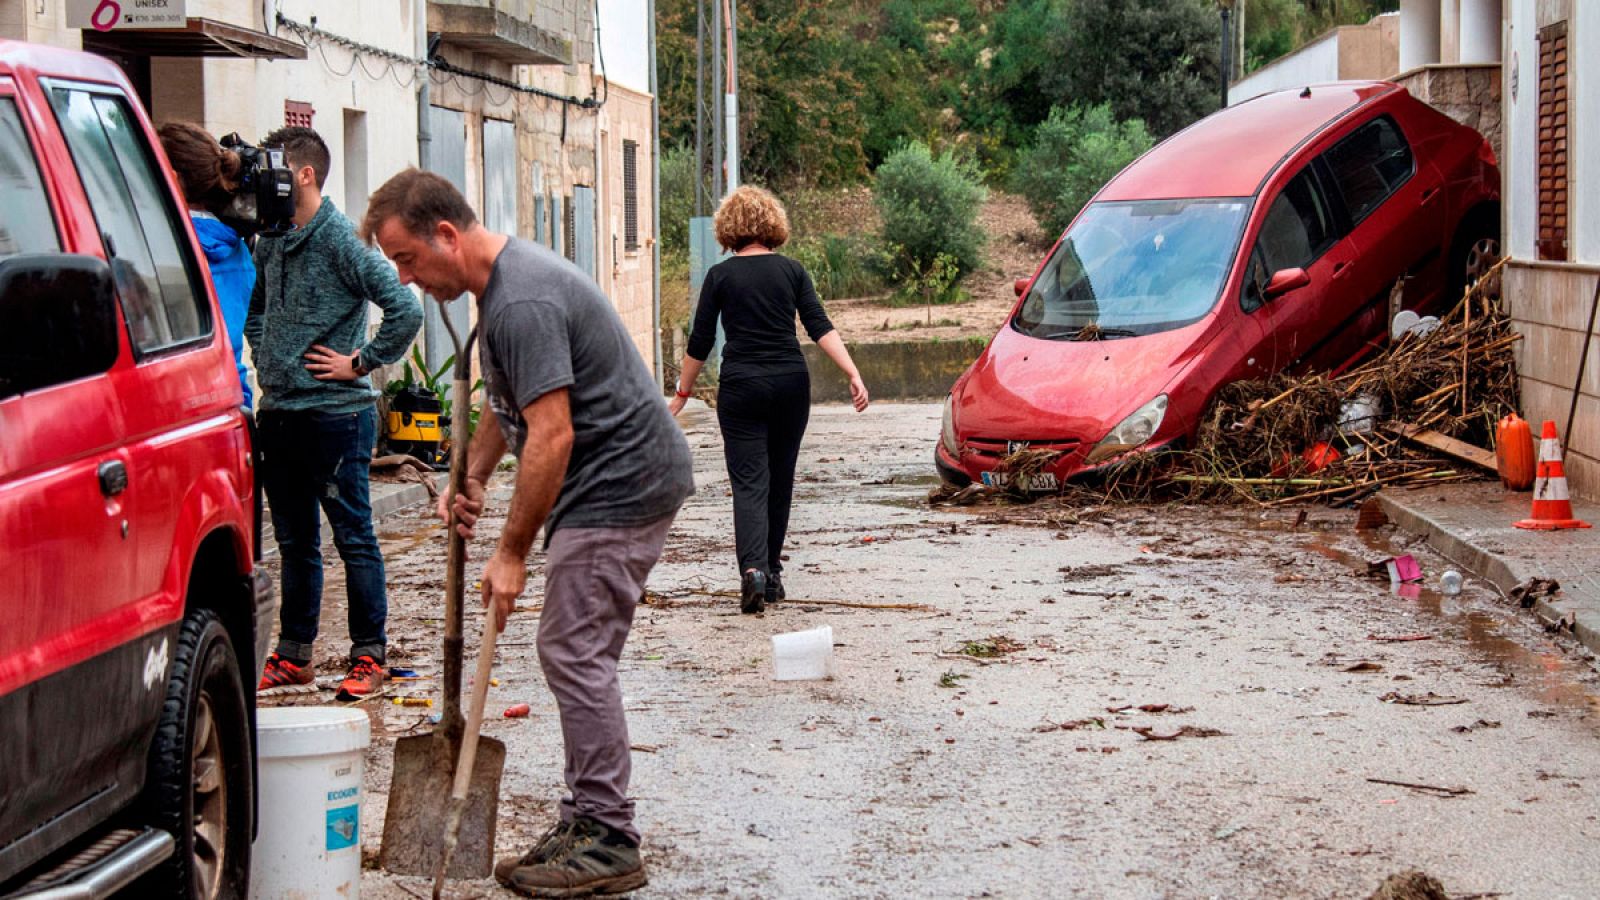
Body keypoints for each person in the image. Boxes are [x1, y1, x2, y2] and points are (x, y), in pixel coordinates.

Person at [362, 168, 694, 898]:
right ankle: (585, 818)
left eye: (407, 259)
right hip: (609, 482)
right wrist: (473, 476)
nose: (407, 279)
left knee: (573, 648)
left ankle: (608, 836)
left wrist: (511, 552)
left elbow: (551, 434)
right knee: (573, 647)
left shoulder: (523, 301)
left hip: (622, 484)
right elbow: (505, 407)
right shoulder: (500, 293)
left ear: (446, 235)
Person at [246, 127, 422, 701]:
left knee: (354, 538)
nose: (264, 179)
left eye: (277, 169)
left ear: (304, 175)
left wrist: (361, 362)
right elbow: (256, 308)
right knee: (296, 542)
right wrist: (266, 351)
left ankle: (368, 656)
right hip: (280, 413)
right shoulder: (270, 239)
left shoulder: (342, 240)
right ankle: (295, 656)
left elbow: (403, 307)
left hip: (336, 417)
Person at [669, 185, 869, 614]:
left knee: (748, 483)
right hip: (790, 384)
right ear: (772, 225)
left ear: (729, 229)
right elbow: (819, 326)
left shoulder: (720, 276)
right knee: (780, 480)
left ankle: (753, 571)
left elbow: (700, 342)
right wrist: (851, 372)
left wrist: (682, 393)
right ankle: (773, 574)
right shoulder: (793, 271)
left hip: (741, 387)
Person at [157, 121, 255, 408]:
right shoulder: (239, 249)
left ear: (171, 180)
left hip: (182, 405)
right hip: (232, 397)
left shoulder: (166, 249)